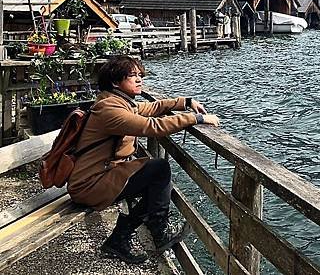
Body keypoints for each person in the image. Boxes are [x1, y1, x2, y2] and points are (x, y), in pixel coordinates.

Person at [67, 55, 220, 264]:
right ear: (115, 82)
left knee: (156, 181)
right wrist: (197, 118)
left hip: (99, 178)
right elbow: (152, 127)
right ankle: (158, 231)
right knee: (159, 170)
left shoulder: (116, 102)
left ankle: (122, 239)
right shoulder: (110, 110)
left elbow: (149, 109)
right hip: (90, 186)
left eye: (140, 75)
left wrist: (184, 102)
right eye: (132, 76)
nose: (139, 80)